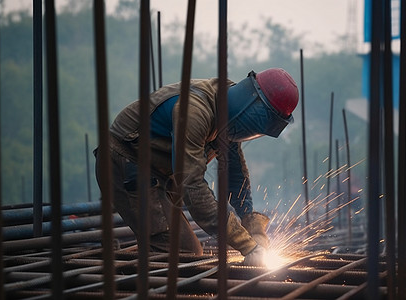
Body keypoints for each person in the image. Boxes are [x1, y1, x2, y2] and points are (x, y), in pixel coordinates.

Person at [95, 68, 299, 266]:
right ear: (252, 107)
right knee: (184, 253)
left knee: (172, 248)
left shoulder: (228, 112)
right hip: (125, 165)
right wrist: (247, 245)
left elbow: (235, 175)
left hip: (157, 173)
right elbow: (192, 186)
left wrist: (250, 220)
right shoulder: (195, 111)